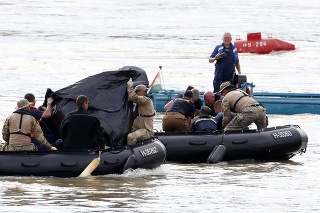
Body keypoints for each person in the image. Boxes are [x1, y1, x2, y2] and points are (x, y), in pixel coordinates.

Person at [127, 80, 155, 146]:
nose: (135, 93)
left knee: (130, 137)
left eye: (136, 92)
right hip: (136, 129)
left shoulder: (146, 100)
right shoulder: (138, 104)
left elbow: (133, 97)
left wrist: (129, 86)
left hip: (146, 131)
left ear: (141, 92)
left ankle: (130, 152)